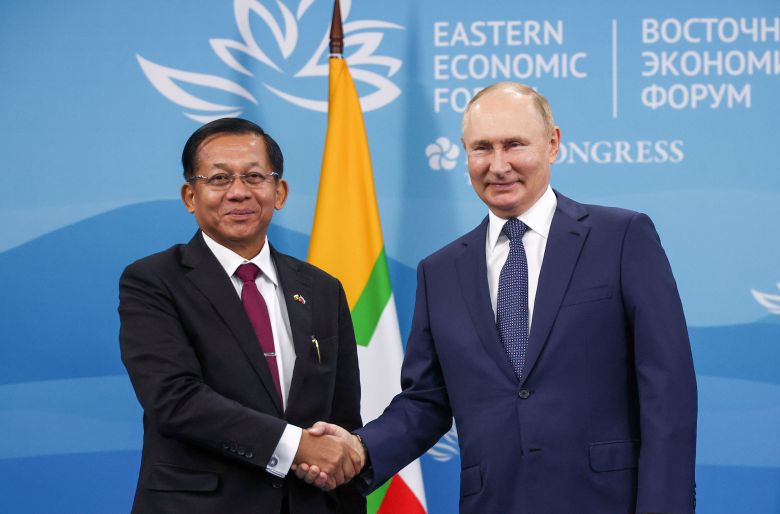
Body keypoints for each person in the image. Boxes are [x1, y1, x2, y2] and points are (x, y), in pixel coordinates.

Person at [297, 82, 698, 513]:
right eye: (482, 148)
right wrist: (360, 448)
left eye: (514, 145)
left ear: (552, 144)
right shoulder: (441, 272)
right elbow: (427, 400)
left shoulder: (621, 238)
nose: (499, 165)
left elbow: (667, 390)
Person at [119, 118, 366, 514]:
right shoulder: (153, 281)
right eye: (219, 179)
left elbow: (342, 420)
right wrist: (296, 446)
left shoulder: (323, 289)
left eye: (254, 177)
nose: (238, 192)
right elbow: (174, 399)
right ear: (189, 196)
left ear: (279, 192)